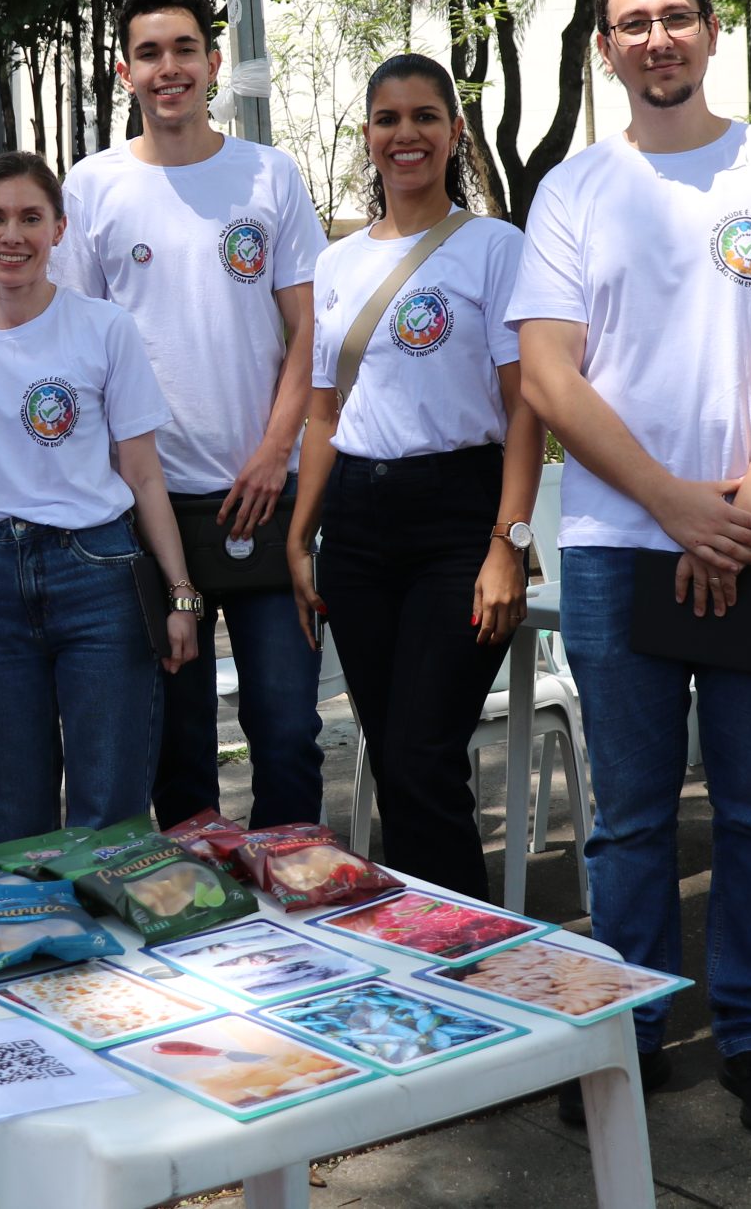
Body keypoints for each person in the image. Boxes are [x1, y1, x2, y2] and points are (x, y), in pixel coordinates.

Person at [511, 0, 751, 1132]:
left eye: (675, 18)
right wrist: (673, 507)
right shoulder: (572, 190)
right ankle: (630, 1030)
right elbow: (550, 377)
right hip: (618, 544)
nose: (656, 38)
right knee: (628, 816)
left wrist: (740, 515)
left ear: (709, 33)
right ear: (605, 50)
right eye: (632, 24)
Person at [51, 0, 328, 829]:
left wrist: (274, 452)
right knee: (177, 747)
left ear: (212, 62)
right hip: (148, 510)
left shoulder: (269, 174)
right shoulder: (91, 188)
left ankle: (294, 891)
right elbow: (76, 350)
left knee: (287, 730)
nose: (167, 68)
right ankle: (200, 902)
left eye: (183, 50)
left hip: (265, 498)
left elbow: (311, 330)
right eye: (148, 53)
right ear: (125, 73)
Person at [286, 54, 539, 901]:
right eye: (389, 118)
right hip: (356, 528)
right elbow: (324, 415)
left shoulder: (495, 248)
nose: (407, 134)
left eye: (426, 116)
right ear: (368, 134)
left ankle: (467, 953)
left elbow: (526, 410)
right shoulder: (336, 262)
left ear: (455, 130)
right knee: (393, 756)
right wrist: (301, 535)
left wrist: (508, 543)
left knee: (425, 754)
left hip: (460, 521)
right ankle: (422, 940)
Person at [0, 152, 201, 855]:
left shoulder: (104, 327)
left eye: (31, 217)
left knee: (108, 816)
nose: (11, 235)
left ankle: (109, 934)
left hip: (99, 576)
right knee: (7, 817)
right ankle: (24, 930)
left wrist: (180, 594)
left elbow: (143, 475)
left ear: (58, 229)